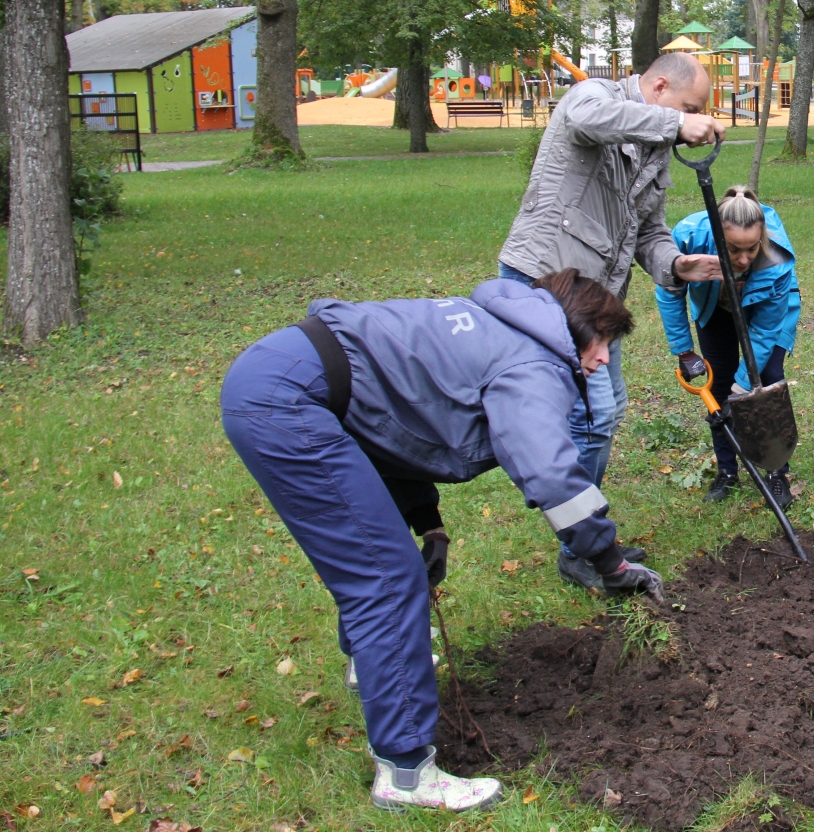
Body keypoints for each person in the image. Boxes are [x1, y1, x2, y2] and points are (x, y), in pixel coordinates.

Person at [220, 271, 663, 813]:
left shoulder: (499, 326)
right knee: (385, 582)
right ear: (580, 327)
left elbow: (390, 420)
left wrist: (427, 522)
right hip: (288, 404)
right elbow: (552, 478)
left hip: (282, 376)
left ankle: (374, 665)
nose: (601, 361)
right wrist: (610, 561)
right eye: (604, 345)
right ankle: (406, 774)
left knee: (378, 563)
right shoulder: (532, 363)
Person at [497, 52, 725, 589]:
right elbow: (587, 121)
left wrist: (676, 264)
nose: (691, 125)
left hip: (595, 297)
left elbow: (649, 229)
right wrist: (677, 124)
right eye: (689, 108)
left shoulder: (656, 150)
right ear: (660, 85)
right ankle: (582, 545)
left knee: (605, 410)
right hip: (544, 283)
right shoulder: (594, 98)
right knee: (591, 415)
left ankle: (582, 535)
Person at [656, 185, 801, 505]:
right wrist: (683, 349)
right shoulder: (690, 237)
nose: (743, 258)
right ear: (717, 235)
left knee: (768, 378)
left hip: (767, 309)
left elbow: (764, 333)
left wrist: (744, 385)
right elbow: (670, 291)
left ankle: (777, 473)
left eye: (751, 248)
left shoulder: (775, 261)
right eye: (734, 248)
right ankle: (727, 471)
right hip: (715, 306)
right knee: (719, 381)